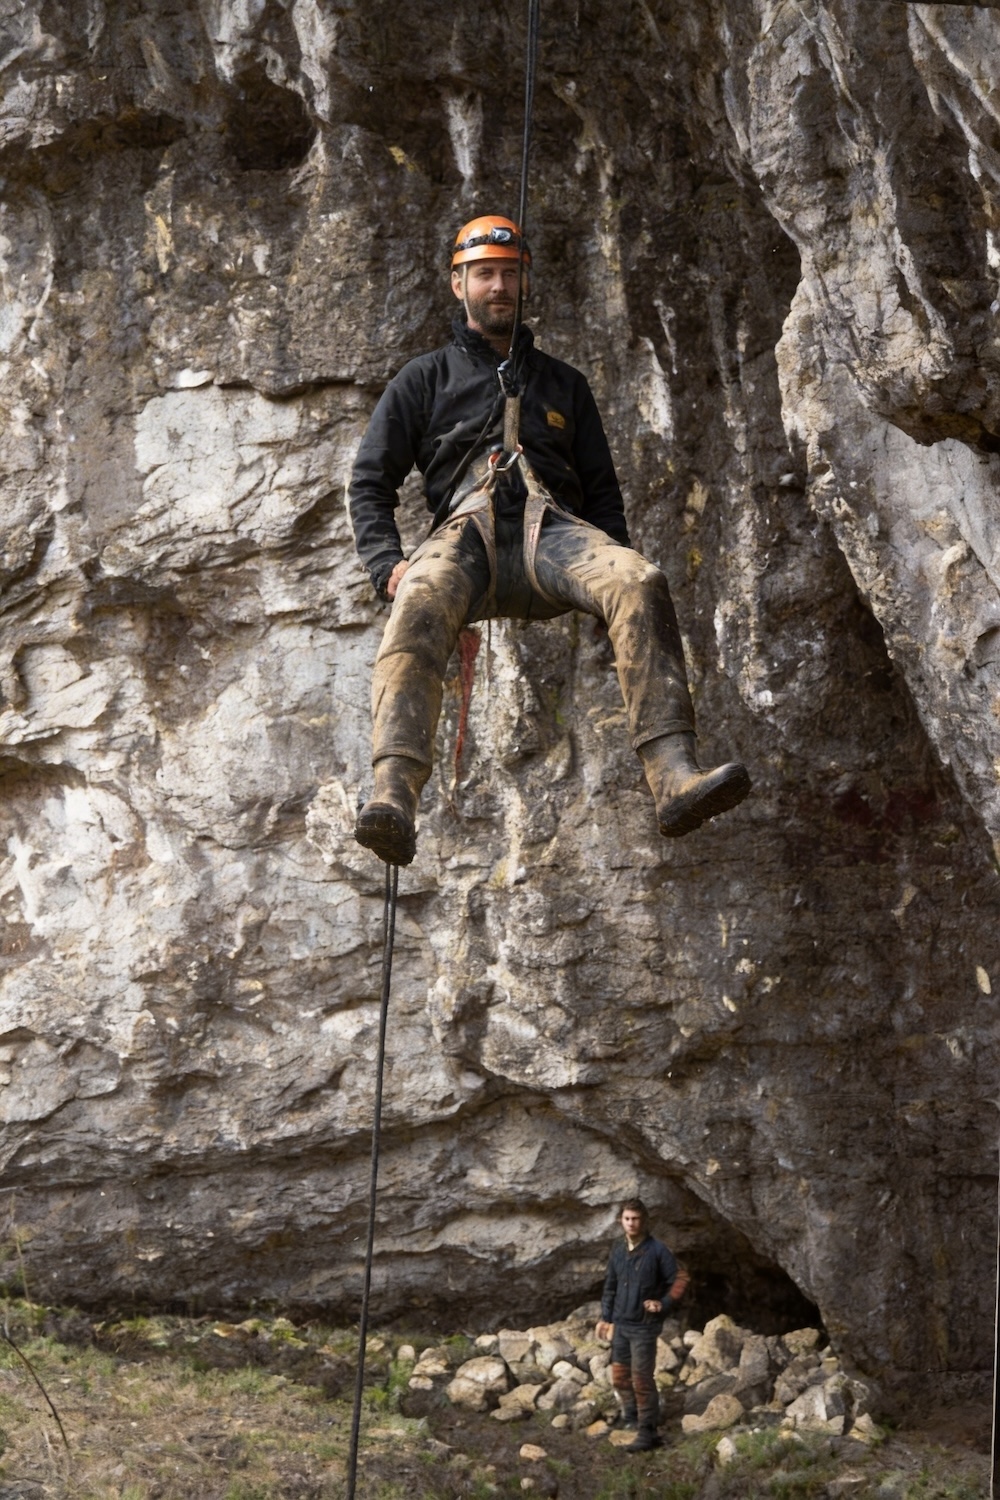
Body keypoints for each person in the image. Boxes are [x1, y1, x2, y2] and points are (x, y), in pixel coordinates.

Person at [348, 214, 750, 865]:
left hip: (552, 537)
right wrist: (385, 563)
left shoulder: (565, 385)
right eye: (484, 274)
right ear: (459, 283)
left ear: (525, 280)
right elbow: (371, 480)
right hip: (466, 540)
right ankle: (393, 793)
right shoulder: (424, 380)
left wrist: (609, 597)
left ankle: (673, 775)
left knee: (638, 579)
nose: (498, 286)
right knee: (418, 597)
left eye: (509, 274)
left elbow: (602, 494)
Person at [596, 1197, 688, 1453]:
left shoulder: (657, 1250)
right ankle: (631, 1420)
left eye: (636, 1219)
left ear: (644, 1220)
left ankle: (648, 1433)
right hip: (621, 1325)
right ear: (620, 1221)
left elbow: (680, 1278)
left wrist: (663, 1303)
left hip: (644, 1327)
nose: (631, 1223)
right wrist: (606, 1317)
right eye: (627, 1218)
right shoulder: (617, 1248)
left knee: (641, 1380)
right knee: (620, 1378)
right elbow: (610, 1285)